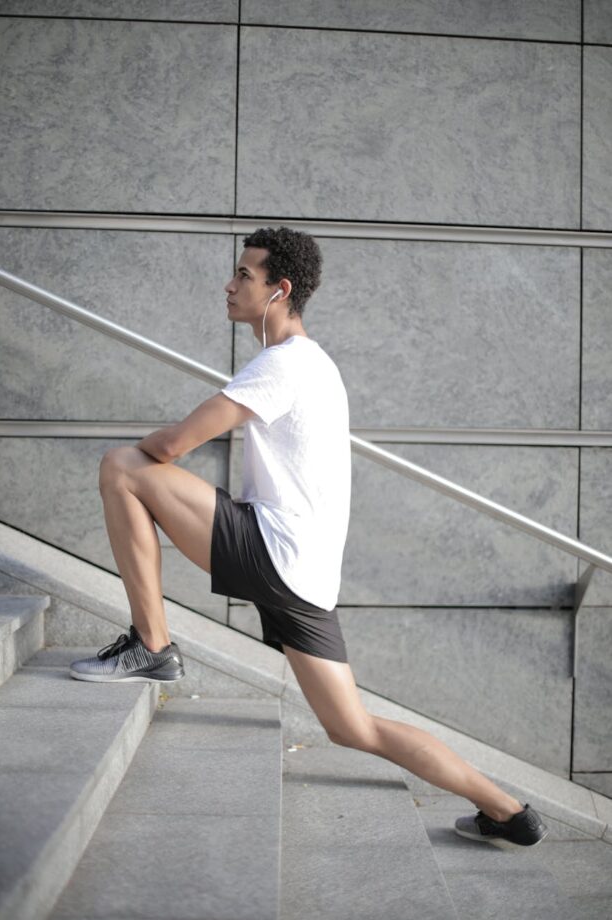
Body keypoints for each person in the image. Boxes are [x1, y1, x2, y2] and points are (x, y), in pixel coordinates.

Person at [70, 226, 548, 849]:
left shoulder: (283, 364)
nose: (230, 283)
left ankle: (153, 643)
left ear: (280, 290)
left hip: (275, 551)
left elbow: (169, 447)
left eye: (245, 275)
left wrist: (143, 471)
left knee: (122, 466)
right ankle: (508, 812)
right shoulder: (315, 364)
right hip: (309, 577)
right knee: (354, 728)